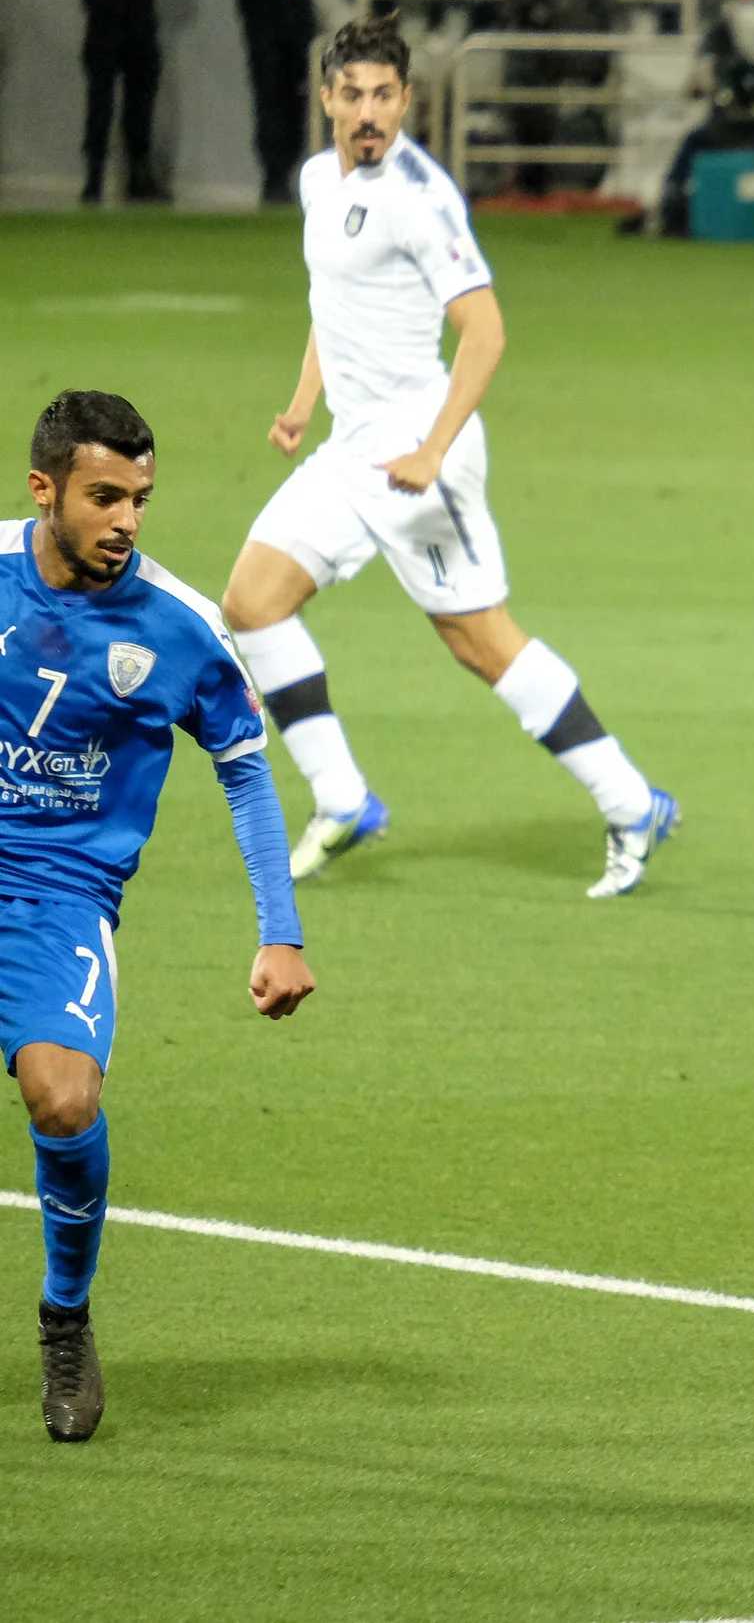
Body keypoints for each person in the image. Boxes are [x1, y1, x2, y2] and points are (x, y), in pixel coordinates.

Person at [221, 15, 680, 898]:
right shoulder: (318, 179)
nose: (368, 112)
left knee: (480, 641)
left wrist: (432, 450)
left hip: (420, 455)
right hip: (352, 450)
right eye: (352, 94)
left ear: (407, 101)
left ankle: (631, 804)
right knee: (252, 603)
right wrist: (304, 401)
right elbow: (333, 301)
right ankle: (343, 799)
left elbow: (485, 331)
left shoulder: (419, 198)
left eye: (384, 95)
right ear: (327, 100)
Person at [12, 390, 317, 1442]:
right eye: (104, 497)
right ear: (44, 489)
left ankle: (65, 1315)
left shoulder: (179, 625)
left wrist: (281, 929)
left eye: (139, 498)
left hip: (60, 895)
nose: (127, 520)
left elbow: (245, 767)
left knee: (63, 1099)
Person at [642, 0, 754, 238]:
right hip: (727, 125)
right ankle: (671, 209)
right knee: (692, 145)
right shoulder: (719, 34)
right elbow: (699, 81)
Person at [81, 0, 179, 205]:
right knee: (100, 100)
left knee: (141, 99)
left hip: (140, 14)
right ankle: (94, 176)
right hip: (105, 13)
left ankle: (138, 174)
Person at [229, 0, 319, 206]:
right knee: (268, 88)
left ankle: (288, 166)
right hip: (262, 4)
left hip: (299, 4)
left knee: (297, 90)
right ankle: (275, 174)